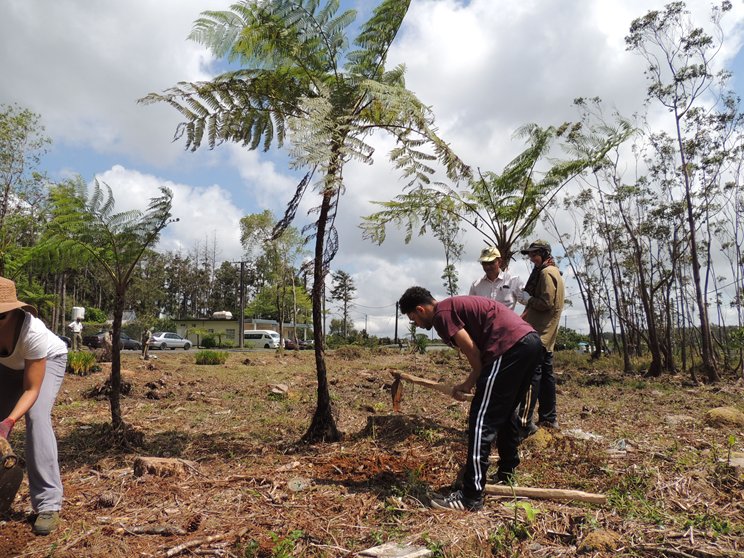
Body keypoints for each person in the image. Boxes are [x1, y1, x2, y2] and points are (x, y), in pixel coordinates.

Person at [399, 286, 541, 511]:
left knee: (481, 421)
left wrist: (468, 383)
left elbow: (473, 352)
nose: (416, 324)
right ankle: (506, 473)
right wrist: (469, 383)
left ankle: (470, 496)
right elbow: (476, 353)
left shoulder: (442, 314)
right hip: (530, 343)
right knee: (504, 413)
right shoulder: (453, 306)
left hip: (508, 347)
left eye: (413, 318)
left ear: (420, 309)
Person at [0, 277, 67, 535]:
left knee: (37, 417)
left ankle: (48, 503)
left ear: (13, 312)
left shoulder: (33, 332)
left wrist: (8, 422)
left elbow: (31, 389)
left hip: (48, 359)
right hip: (8, 367)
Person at [516, 240, 565, 434]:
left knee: (531, 376)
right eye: (530, 255)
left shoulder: (546, 273)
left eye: (535, 254)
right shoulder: (553, 271)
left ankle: (524, 423)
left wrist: (529, 300)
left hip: (540, 333)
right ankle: (549, 418)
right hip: (546, 333)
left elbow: (546, 303)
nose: (531, 258)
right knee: (546, 377)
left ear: (544, 253)